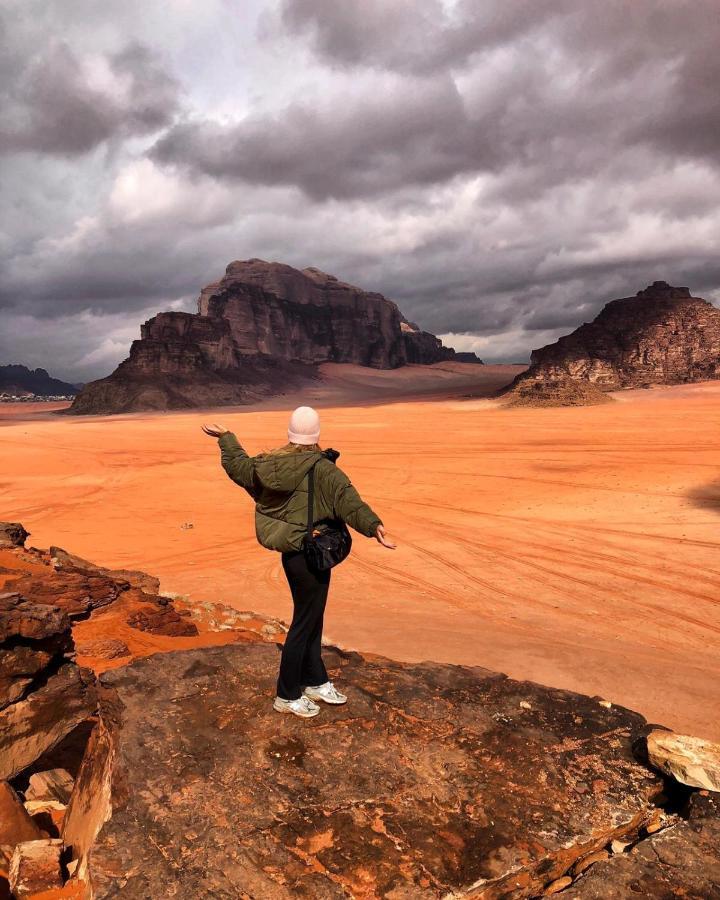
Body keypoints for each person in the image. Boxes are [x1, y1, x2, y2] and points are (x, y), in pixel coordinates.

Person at [202, 406, 396, 719]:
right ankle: (287, 694)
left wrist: (226, 437)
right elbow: (349, 500)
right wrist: (374, 527)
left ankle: (315, 680)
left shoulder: (269, 464)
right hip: (313, 553)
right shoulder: (322, 468)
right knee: (304, 623)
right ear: (316, 434)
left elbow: (239, 467)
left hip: (292, 555)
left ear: (291, 433)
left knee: (312, 616)